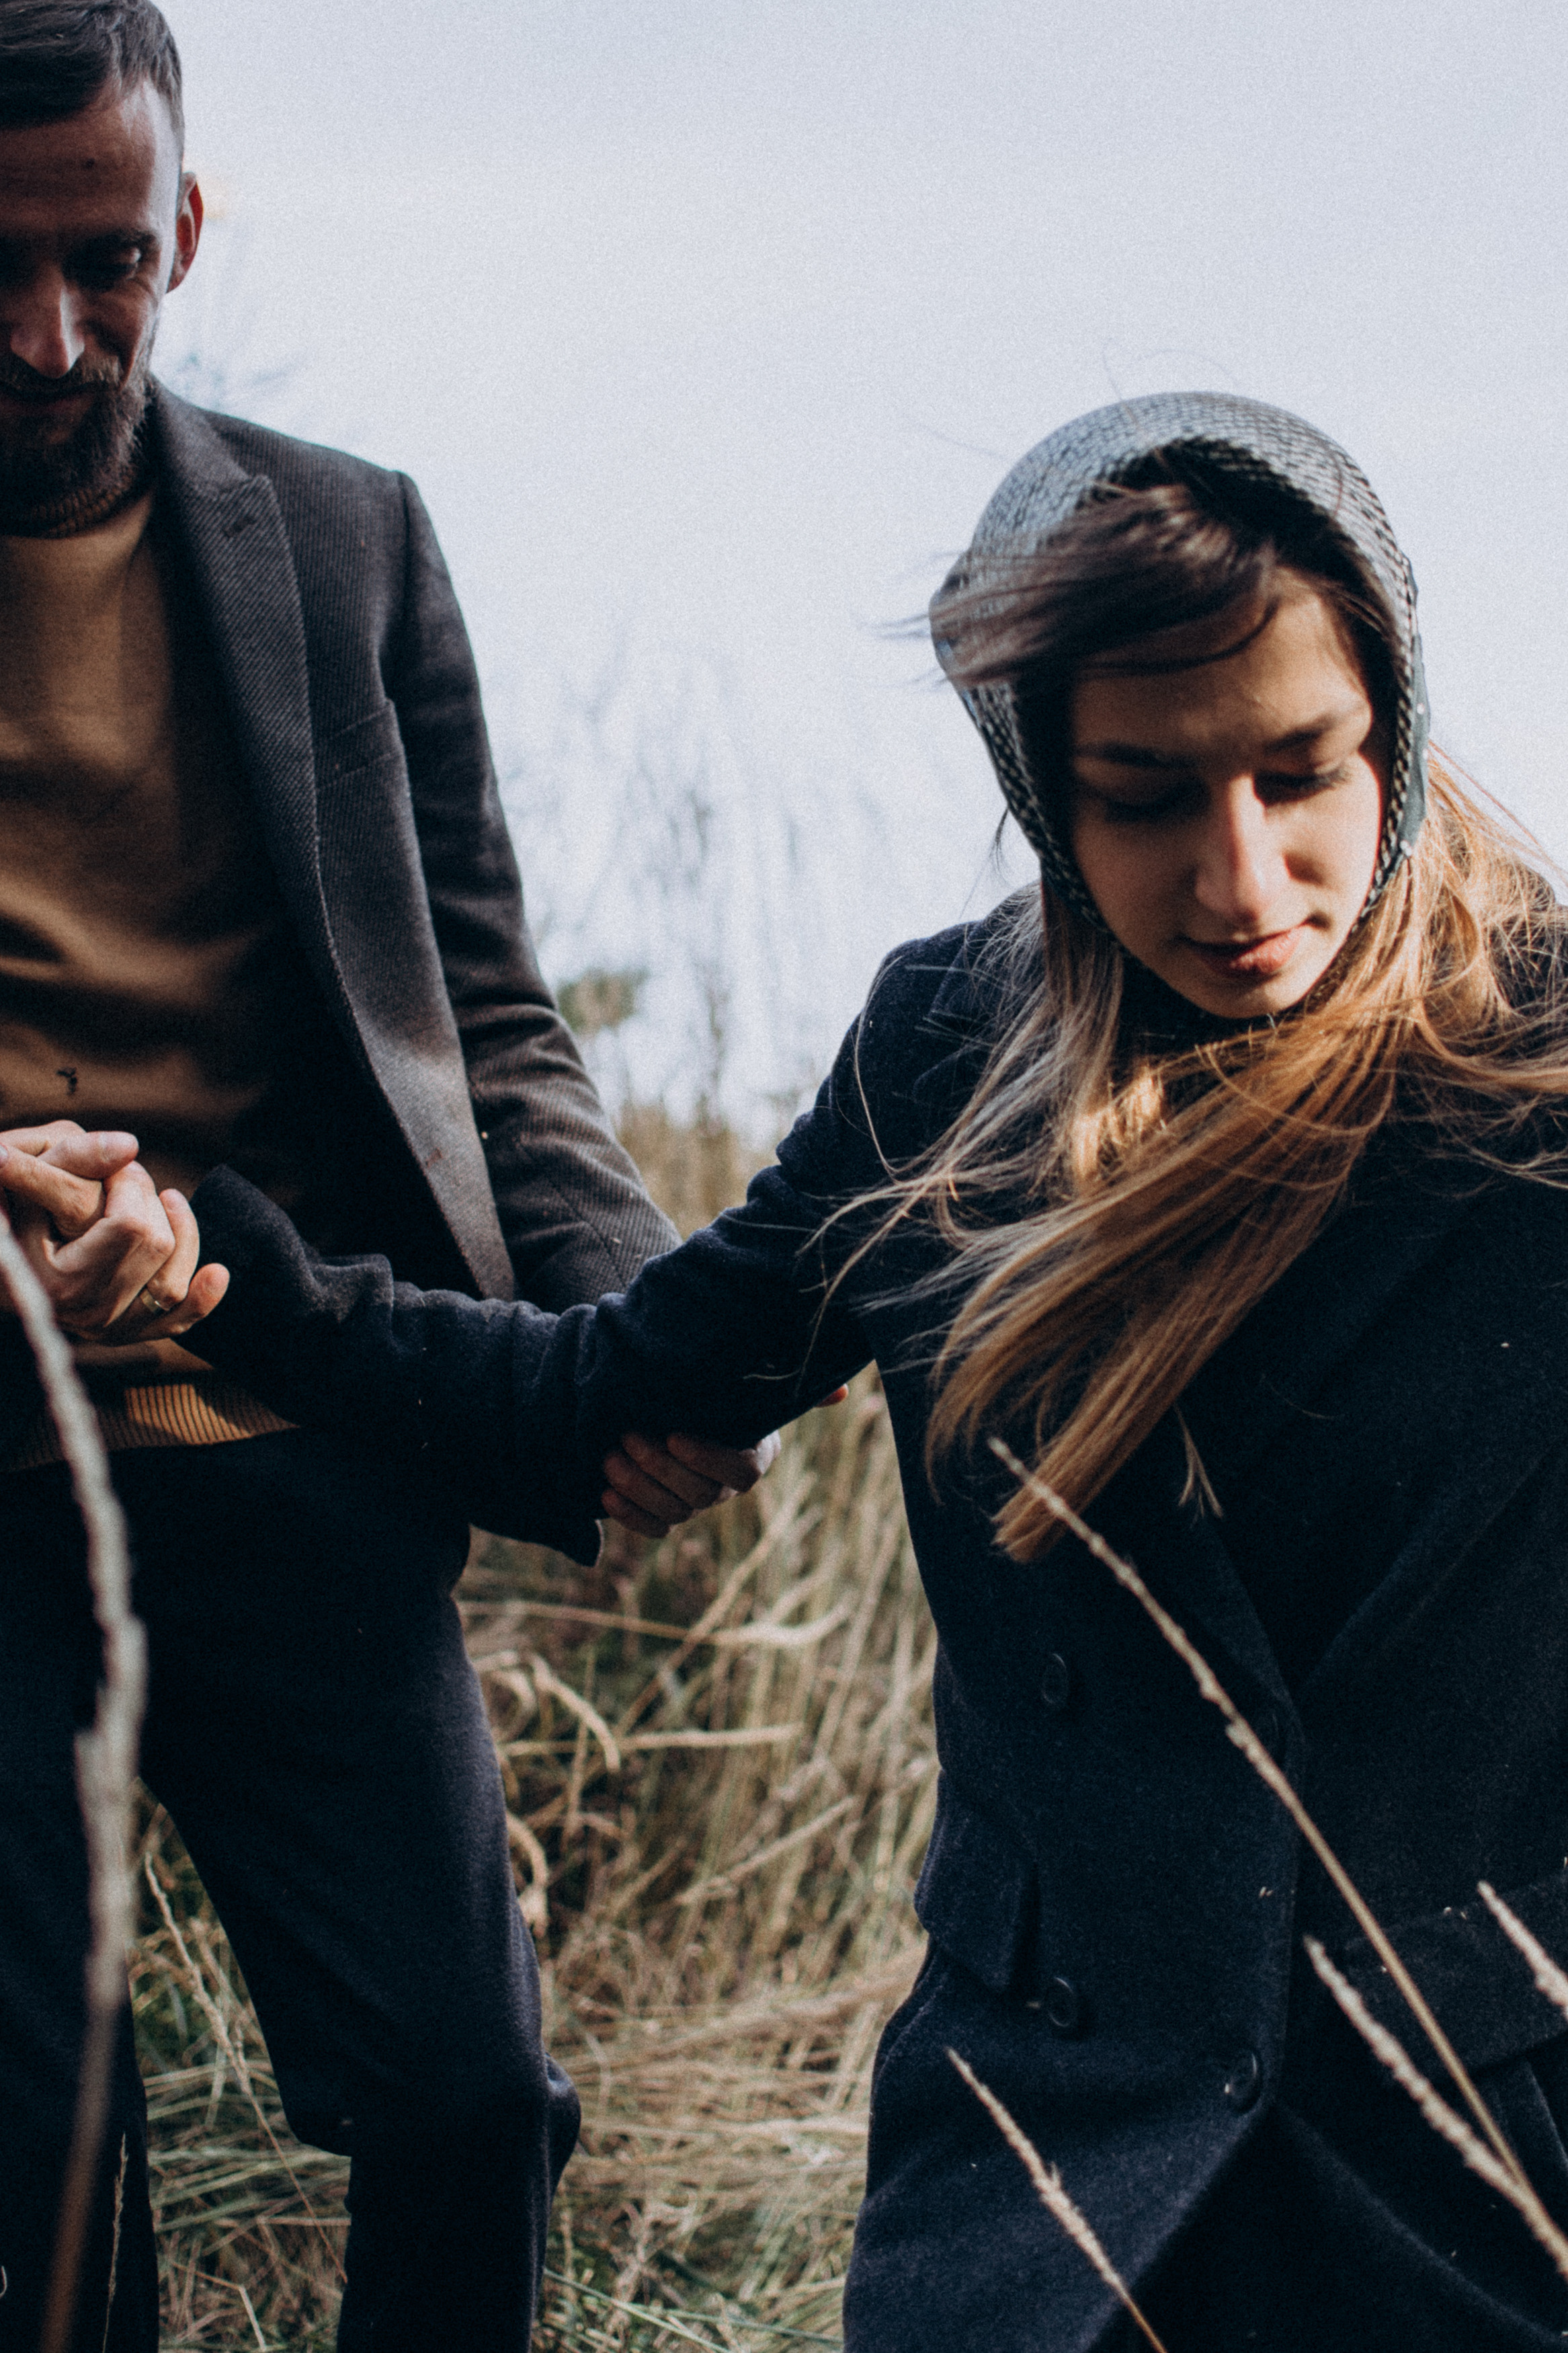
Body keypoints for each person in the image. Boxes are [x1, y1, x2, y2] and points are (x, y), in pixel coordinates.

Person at [102, 386, 1568, 2350]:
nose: (1243, 878)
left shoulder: (1541, 1078)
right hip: (1051, 2156)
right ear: (1039, 785)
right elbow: (596, 1404)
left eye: (1302, 772)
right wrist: (218, 1268)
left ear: (1393, 718)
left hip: (1466, 2161)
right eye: (1145, 794)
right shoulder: (954, 1054)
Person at [0, 6, 772, 2348]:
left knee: (468, 2100)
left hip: (297, 1413)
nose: (50, 337)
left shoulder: (347, 542)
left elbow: (492, 1027)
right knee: (45, 2182)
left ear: (187, 227)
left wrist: (639, 1337)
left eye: (107, 263)